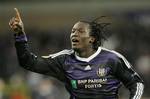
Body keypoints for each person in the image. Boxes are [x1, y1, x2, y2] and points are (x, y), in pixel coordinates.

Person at [9, 8, 144, 99]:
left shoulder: (112, 59)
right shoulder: (63, 60)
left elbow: (136, 84)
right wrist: (19, 35)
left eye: (80, 31)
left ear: (92, 38)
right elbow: (27, 62)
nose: (74, 34)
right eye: (73, 31)